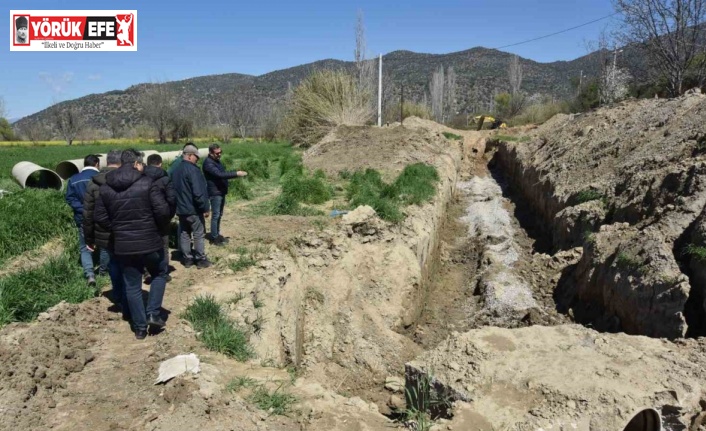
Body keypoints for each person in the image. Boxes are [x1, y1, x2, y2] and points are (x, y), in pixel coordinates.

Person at [94, 149, 171, 340]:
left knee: (132, 285)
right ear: (137, 163)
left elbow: (100, 217)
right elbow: (162, 211)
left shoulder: (106, 187)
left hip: (124, 245)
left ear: (120, 163)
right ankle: (153, 313)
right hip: (150, 241)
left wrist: (118, 228)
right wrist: (156, 227)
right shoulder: (147, 183)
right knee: (159, 273)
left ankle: (139, 328)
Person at [83, 150, 124, 310]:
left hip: (102, 230)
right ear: (120, 162)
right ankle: (128, 295)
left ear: (106, 162)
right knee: (126, 262)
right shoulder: (125, 179)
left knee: (113, 262)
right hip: (124, 229)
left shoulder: (93, 183)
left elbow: (87, 214)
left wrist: (89, 239)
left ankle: (117, 295)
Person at [172, 143, 211, 269]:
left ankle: (187, 259)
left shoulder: (176, 170)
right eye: (196, 157)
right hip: (193, 209)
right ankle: (200, 259)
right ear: (189, 156)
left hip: (181, 209)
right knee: (198, 234)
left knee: (184, 233)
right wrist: (205, 207)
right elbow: (198, 192)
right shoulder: (193, 170)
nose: (197, 159)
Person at [65, 154, 101, 286]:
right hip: (100, 217)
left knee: (85, 247)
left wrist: (84, 209)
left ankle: (90, 275)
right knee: (104, 244)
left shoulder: (74, 179)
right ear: (97, 164)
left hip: (82, 218)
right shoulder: (101, 178)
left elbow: (70, 198)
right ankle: (103, 271)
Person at [202, 143, 247, 245]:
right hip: (215, 192)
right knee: (216, 215)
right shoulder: (208, 163)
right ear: (210, 153)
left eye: (220, 152)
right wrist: (236, 173)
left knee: (219, 214)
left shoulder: (216, 161)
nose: (219, 155)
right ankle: (214, 238)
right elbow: (219, 175)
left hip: (220, 191)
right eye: (217, 153)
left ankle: (217, 234)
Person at [144, 154, 177, 281]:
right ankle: (163, 272)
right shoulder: (164, 178)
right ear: (160, 163)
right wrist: (169, 214)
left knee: (147, 246)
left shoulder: (140, 177)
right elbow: (172, 199)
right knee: (163, 245)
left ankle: (147, 272)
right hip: (162, 217)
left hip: (145, 217)